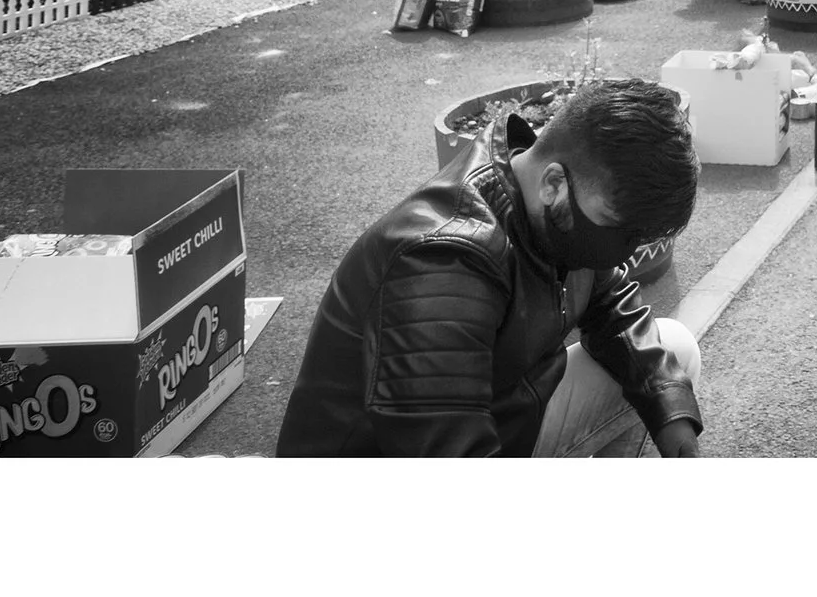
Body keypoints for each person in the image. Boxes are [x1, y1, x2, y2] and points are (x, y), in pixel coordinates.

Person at [275, 77, 704, 457]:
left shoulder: (556, 210)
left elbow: (612, 306)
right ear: (554, 183)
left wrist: (668, 408)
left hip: (505, 413)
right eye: (619, 228)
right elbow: (446, 453)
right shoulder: (441, 265)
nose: (624, 251)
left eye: (639, 236)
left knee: (674, 353)